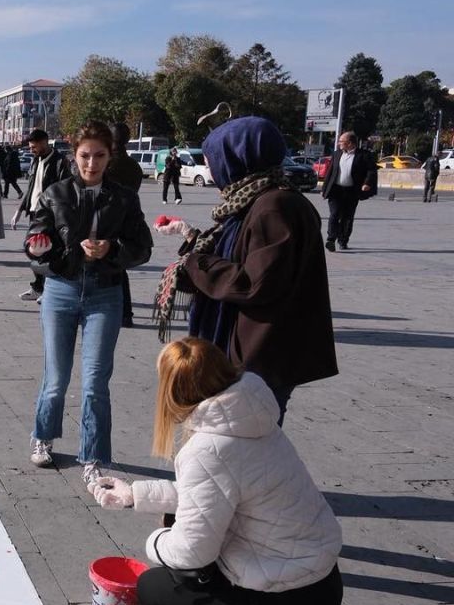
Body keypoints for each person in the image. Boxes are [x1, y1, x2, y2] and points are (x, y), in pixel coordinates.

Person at [90, 337, 342, 605]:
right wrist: (135, 494)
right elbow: (215, 492)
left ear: (174, 390)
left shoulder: (208, 449)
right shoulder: (251, 417)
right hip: (320, 590)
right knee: (181, 535)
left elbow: (192, 552)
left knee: (153, 588)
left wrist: (157, 540)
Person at [152, 116, 337, 424]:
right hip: (260, 349)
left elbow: (255, 281)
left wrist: (195, 263)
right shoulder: (258, 200)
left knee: (245, 440)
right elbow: (244, 254)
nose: (210, 169)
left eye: (213, 160)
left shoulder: (274, 206)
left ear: (237, 158)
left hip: (263, 353)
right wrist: (193, 238)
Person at [24, 121, 153, 484]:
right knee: (57, 376)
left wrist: (112, 249)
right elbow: (36, 237)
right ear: (74, 155)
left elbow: (142, 247)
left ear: (110, 157)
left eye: (99, 156)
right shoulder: (55, 193)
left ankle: (93, 456)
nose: (91, 163)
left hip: (104, 292)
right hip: (61, 291)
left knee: (96, 379)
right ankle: (42, 437)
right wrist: (39, 247)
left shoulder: (124, 197)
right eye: (85, 155)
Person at [16, 130, 72, 301]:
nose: (31, 149)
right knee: (34, 250)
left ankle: (48, 289)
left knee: (49, 251)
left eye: (34, 146)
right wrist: (19, 210)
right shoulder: (35, 161)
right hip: (35, 212)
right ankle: (38, 287)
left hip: (51, 214)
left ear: (44, 142)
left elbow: (65, 190)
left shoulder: (59, 162)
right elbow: (32, 187)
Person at [107, 122, 143, 329]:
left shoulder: (108, 164)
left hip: (108, 221)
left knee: (113, 268)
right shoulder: (134, 166)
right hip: (127, 220)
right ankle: (125, 313)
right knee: (119, 268)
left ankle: (122, 312)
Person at [319, 131, 377, 251]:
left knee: (347, 217)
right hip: (336, 190)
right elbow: (330, 173)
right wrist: (324, 189)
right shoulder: (337, 154)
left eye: (341, 141)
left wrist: (366, 183)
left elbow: (371, 171)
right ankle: (331, 239)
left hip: (351, 191)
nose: (339, 143)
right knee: (334, 215)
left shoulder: (364, 155)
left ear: (350, 143)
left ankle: (343, 240)